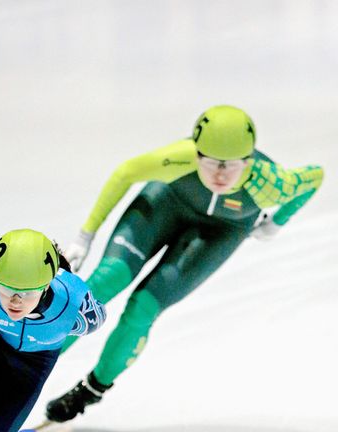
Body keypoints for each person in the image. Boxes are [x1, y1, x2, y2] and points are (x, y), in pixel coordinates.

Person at [45, 105, 324, 422]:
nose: (219, 175)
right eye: (208, 163)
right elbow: (125, 173)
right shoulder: (180, 157)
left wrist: (278, 221)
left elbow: (315, 177)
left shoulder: (271, 183)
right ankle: (31, 357)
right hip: (166, 204)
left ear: (248, 162)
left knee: (142, 309)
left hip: (221, 231)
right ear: (195, 153)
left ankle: (90, 390)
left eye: (230, 167)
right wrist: (85, 236)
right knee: (104, 282)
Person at [0, 228, 107, 432]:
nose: (16, 301)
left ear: (46, 286)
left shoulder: (79, 312)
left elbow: (100, 314)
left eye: (27, 293)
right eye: (7, 288)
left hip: (32, 363)